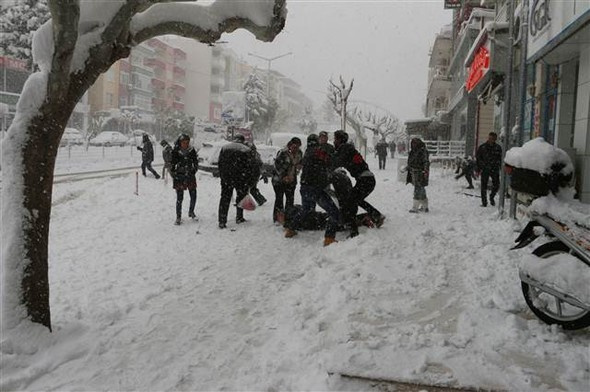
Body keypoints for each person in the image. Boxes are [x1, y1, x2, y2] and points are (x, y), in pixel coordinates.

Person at [284, 134, 340, 246]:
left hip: (304, 187)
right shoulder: (318, 151)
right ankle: (329, 238)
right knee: (334, 212)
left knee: (306, 210)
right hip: (315, 188)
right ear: (316, 142)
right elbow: (330, 161)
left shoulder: (306, 153)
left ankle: (291, 229)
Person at [332, 130, 385, 237]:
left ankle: (354, 231)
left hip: (365, 180)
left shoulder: (345, 148)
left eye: (335, 139)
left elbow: (337, 162)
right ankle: (376, 215)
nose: (334, 141)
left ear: (339, 140)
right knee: (356, 200)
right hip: (367, 179)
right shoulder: (348, 148)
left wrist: (327, 164)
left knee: (349, 202)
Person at [217, 134, 255, 229]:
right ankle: (239, 217)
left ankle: (222, 221)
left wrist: (223, 175)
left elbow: (220, 163)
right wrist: (249, 179)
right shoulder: (246, 150)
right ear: (242, 140)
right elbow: (250, 166)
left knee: (225, 199)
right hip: (241, 179)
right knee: (241, 198)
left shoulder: (225, 148)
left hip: (227, 178)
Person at [271, 137, 302, 223]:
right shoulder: (283, 153)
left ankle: (288, 217)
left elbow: (300, 163)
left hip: (291, 180)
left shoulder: (299, 153)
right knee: (279, 199)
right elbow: (277, 167)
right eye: (294, 147)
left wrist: (299, 166)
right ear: (290, 145)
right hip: (279, 181)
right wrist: (283, 176)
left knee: (290, 199)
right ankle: (278, 218)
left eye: (298, 147)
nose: (296, 149)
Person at [170, 134, 198, 225]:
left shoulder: (192, 150)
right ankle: (178, 217)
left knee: (193, 195)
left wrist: (194, 170)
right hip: (180, 177)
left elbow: (195, 162)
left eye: (187, 142)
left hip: (190, 176)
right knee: (179, 198)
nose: (185, 144)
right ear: (180, 142)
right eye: (183, 142)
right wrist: (174, 174)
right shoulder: (175, 151)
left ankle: (191, 211)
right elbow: (172, 165)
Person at [476, 132, 502, 207]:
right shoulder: (482, 147)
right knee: (483, 186)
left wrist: (498, 166)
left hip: (494, 169)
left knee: (496, 185)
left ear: (495, 139)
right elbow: (478, 158)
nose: (491, 140)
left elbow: (500, 158)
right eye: (490, 138)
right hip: (485, 169)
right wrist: (479, 167)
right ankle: (484, 202)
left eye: (493, 139)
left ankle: (492, 197)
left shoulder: (498, 148)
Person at [406, 137, 430, 213]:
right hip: (414, 173)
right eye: (412, 143)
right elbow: (411, 162)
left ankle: (415, 207)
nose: (413, 144)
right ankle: (425, 206)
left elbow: (426, 161)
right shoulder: (413, 151)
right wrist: (407, 167)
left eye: (415, 143)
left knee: (418, 189)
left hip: (420, 172)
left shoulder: (422, 151)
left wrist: (425, 171)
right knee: (421, 189)